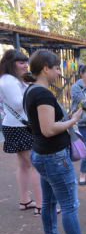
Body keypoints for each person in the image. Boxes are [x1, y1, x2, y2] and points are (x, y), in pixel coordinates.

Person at [23, 49, 86, 234]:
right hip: (53, 156)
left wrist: (69, 117)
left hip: (43, 154)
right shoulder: (41, 93)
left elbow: (46, 124)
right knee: (70, 205)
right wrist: (72, 122)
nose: (58, 73)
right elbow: (49, 129)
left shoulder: (31, 91)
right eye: (56, 69)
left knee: (50, 201)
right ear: (46, 69)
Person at [0, 49, 42, 215]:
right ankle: (41, 204)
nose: (26, 65)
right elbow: (19, 104)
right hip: (20, 126)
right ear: (11, 64)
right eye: (21, 62)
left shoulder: (12, 79)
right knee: (34, 165)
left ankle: (25, 201)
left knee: (24, 165)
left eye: (26, 62)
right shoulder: (9, 81)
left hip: (17, 125)